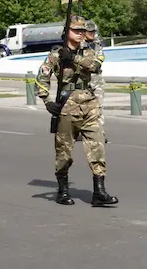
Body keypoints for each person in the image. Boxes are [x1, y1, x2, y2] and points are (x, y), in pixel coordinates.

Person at [35, 17, 117, 207]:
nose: (81, 33)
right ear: (67, 32)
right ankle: (63, 190)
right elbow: (42, 78)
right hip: (67, 105)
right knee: (64, 151)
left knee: (97, 147)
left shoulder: (88, 52)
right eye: (76, 30)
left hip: (89, 103)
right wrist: (47, 101)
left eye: (82, 30)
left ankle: (99, 192)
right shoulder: (54, 55)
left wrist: (73, 58)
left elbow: (95, 66)